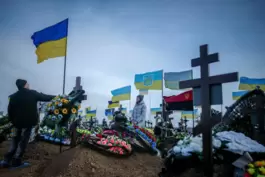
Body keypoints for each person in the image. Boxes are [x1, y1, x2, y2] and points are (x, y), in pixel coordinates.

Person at [0, 79, 55, 168]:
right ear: (25, 85)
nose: (29, 85)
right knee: (23, 142)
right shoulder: (32, 93)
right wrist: (57, 97)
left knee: (14, 141)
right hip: (27, 124)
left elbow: (10, 111)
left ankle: (6, 161)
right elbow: (45, 97)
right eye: (28, 84)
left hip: (14, 125)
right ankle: (16, 161)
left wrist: (12, 121)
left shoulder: (13, 97)